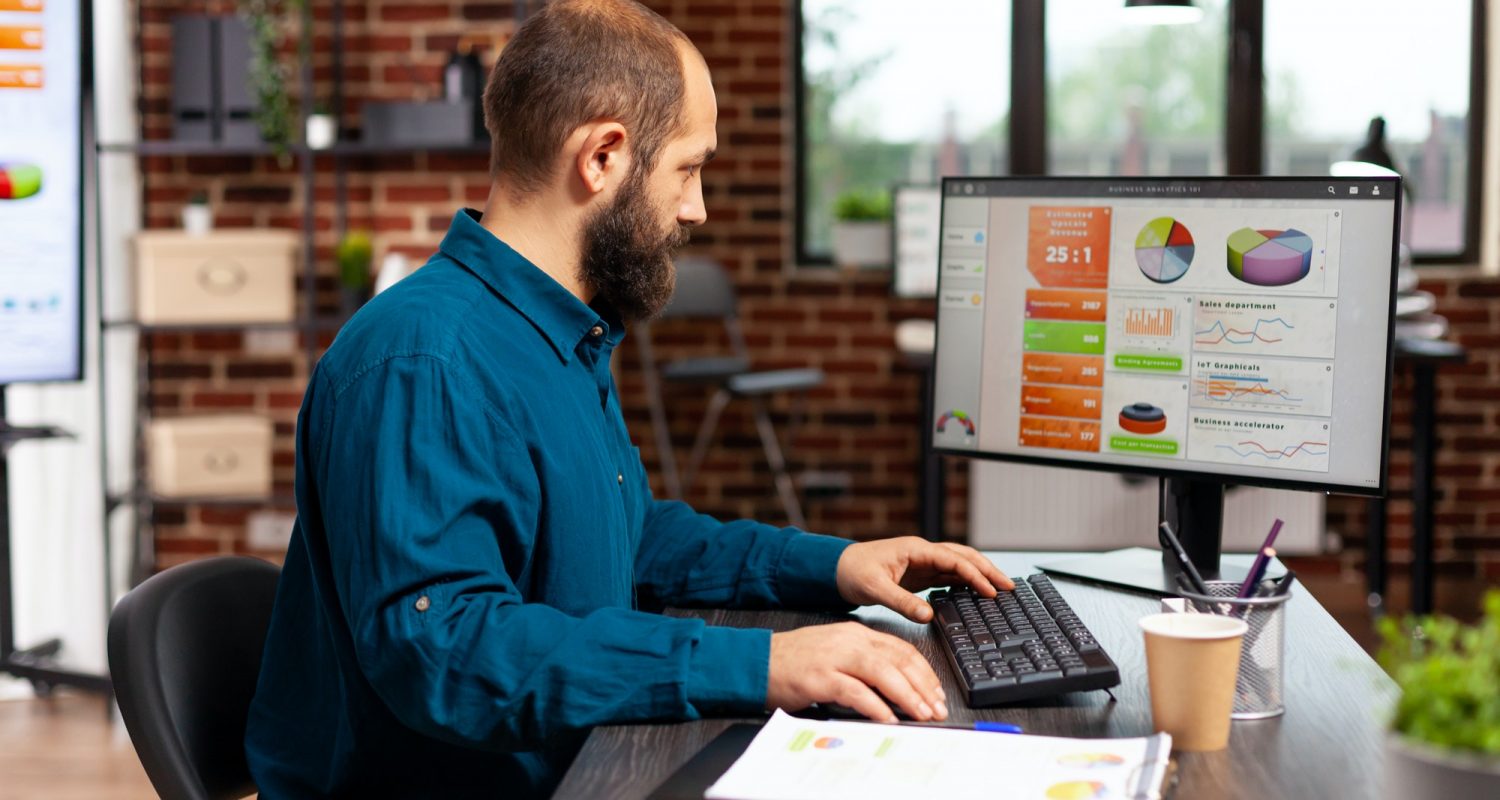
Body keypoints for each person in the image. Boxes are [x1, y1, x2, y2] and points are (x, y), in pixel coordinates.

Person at [244, 1, 1012, 796]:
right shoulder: (423, 362)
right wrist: (761, 664)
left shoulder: (560, 333)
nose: (697, 207)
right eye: (687, 167)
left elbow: (629, 540)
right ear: (603, 156)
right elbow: (449, 652)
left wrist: (839, 565)